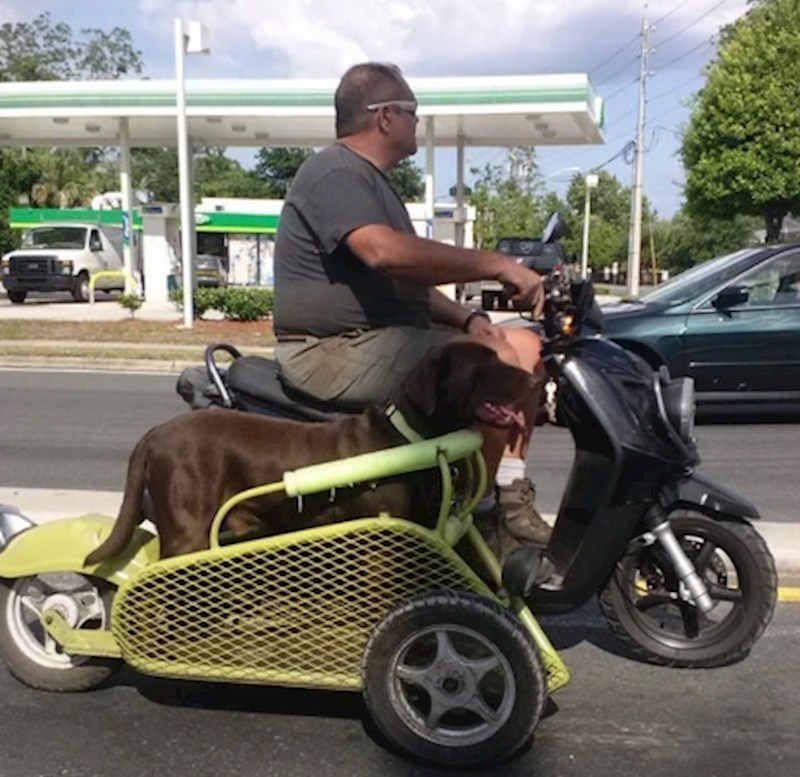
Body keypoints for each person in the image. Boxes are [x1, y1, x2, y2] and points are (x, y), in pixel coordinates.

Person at [273, 62, 551, 560]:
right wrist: (495, 265)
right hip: (328, 351)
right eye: (412, 113)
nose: (416, 124)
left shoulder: (370, 182)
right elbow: (385, 253)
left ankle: (505, 490)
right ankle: (477, 518)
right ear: (384, 118)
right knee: (494, 369)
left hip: (374, 338)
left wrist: (466, 318)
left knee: (525, 345)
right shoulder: (333, 172)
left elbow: (404, 284)